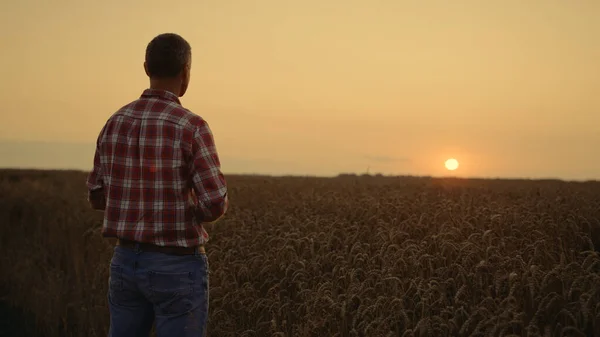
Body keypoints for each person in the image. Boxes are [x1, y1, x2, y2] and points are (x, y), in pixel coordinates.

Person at [86, 33, 228, 337]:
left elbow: (97, 196)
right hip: (176, 266)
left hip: (124, 262)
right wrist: (181, 207)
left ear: (146, 67)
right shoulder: (192, 126)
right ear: (186, 72)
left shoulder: (115, 121)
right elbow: (214, 202)